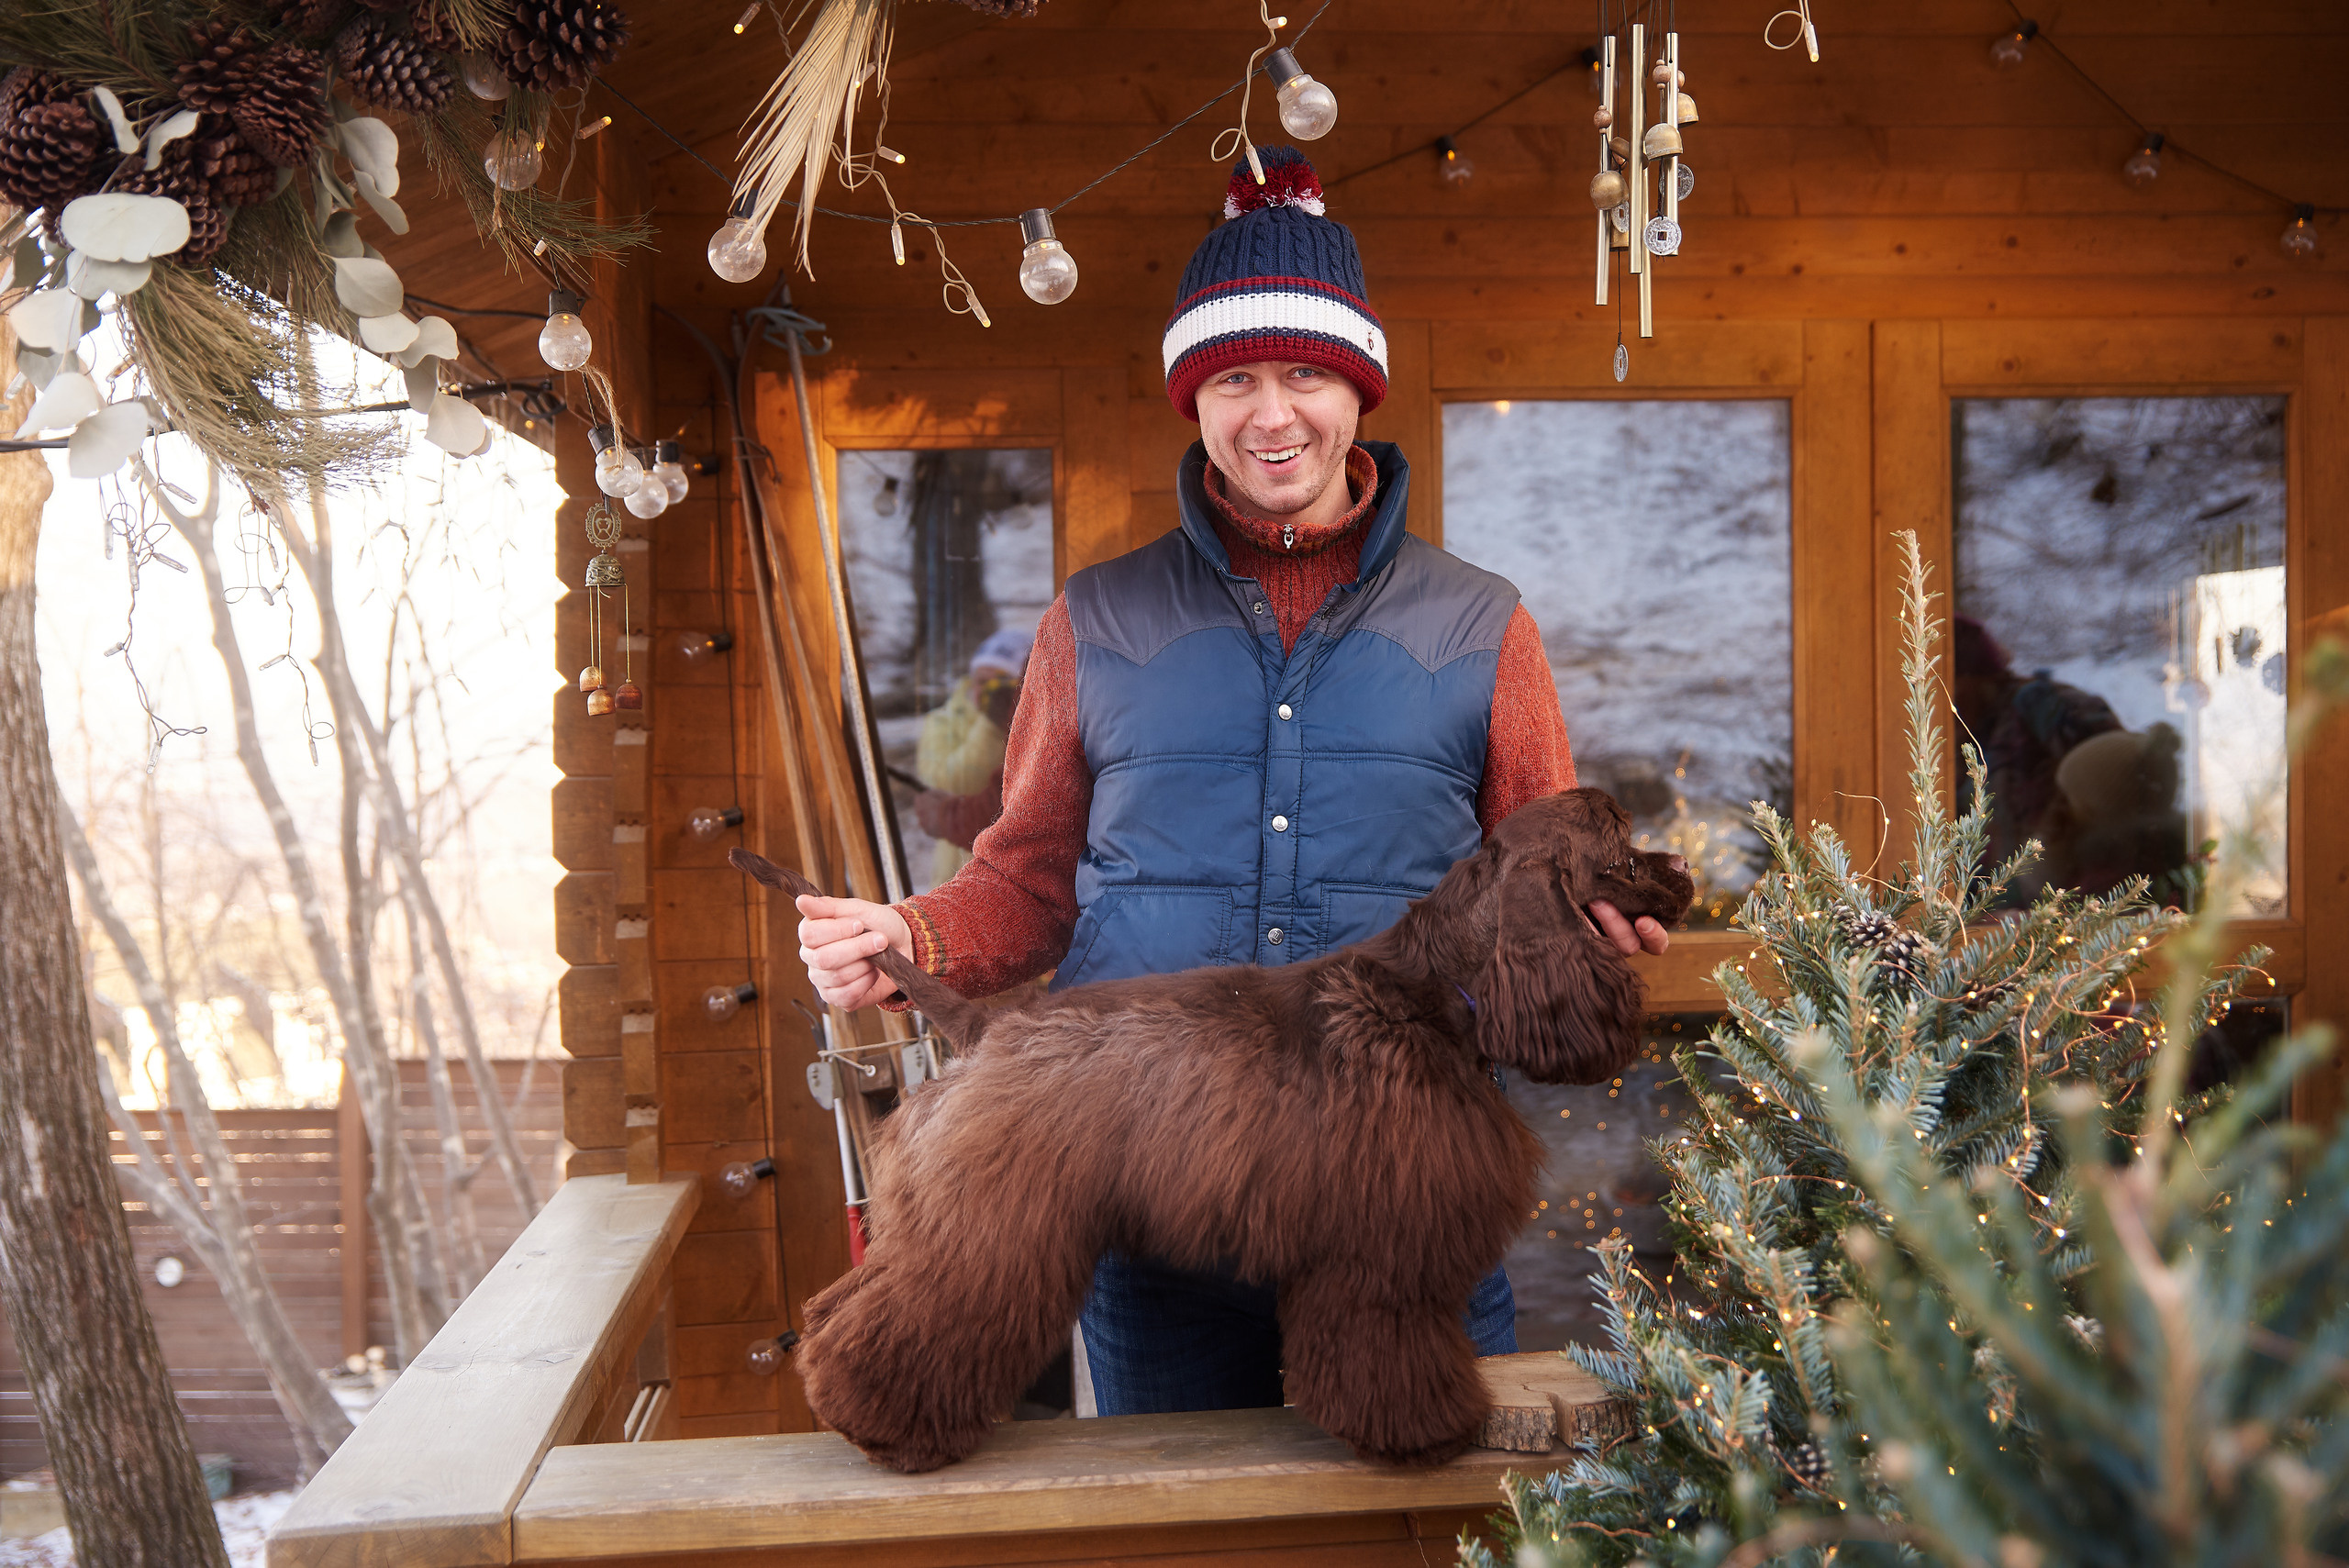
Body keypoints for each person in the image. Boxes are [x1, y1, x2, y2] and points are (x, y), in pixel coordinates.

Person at [796, 145, 1669, 1417]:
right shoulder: (1094, 622)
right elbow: (1031, 878)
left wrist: (1605, 924)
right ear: (1193, 400)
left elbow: (1536, 878)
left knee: (1410, 1514)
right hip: (1152, 1188)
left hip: (1396, 1190)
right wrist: (911, 930)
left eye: (1307, 372)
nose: (1275, 412)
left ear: (1357, 390)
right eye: (1236, 377)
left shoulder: (1484, 625)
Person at [911, 626, 1030, 885]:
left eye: (999, 683)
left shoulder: (1031, 724)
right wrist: (990, 724)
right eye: (981, 681)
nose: (987, 691)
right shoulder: (942, 722)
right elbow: (954, 783)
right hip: (955, 864)